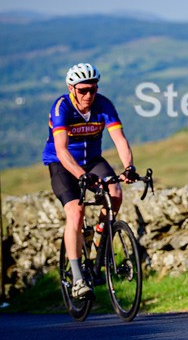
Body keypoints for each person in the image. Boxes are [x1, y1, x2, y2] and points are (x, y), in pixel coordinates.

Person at [42, 63, 137, 299]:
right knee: (76, 212)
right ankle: (77, 278)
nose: (89, 95)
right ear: (71, 89)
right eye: (83, 90)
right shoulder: (61, 107)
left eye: (93, 89)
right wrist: (80, 176)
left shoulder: (103, 105)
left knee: (114, 194)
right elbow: (62, 150)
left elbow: (120, 139)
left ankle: (97, 249)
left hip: (93, 159)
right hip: (63, 164)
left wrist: (129, 167)